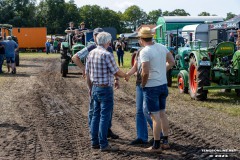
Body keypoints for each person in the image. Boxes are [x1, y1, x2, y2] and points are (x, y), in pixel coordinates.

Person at [72, 28, 119, 139]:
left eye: (100, 35)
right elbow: (75, 57)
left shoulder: (110, 49)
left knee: (107, 110)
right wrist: (84, 69)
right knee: (94, 110)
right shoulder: (91, 48)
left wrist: (117, 79)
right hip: (95, 83)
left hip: (105, 82)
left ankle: (106, 130)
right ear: (93, 37)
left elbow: (114, 66)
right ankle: (93, 132)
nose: (98, 37)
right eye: (96, 35)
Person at [85, 32, 127, 151]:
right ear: (107, 42)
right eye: (109, 41)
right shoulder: (107, 54)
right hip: (105, 89)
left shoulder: (91, 53)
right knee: (104, 117)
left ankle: (94, 142)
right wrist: (126, 76)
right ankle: (103, 144)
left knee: (95, 116)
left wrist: (90, 88)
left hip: (95, 87)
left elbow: (87, 74)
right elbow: (116, 71)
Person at [138, 27, 175, 152]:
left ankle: (156, 145)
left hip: (151, 87)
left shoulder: (145, 51)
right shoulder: (162, 47)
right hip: (163, 85)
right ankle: (165, 141)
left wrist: (143, 84)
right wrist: (162, 71)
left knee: (155, 117)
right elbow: (172, 61)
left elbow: (145, 72)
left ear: (141, 39)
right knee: (162, 114)